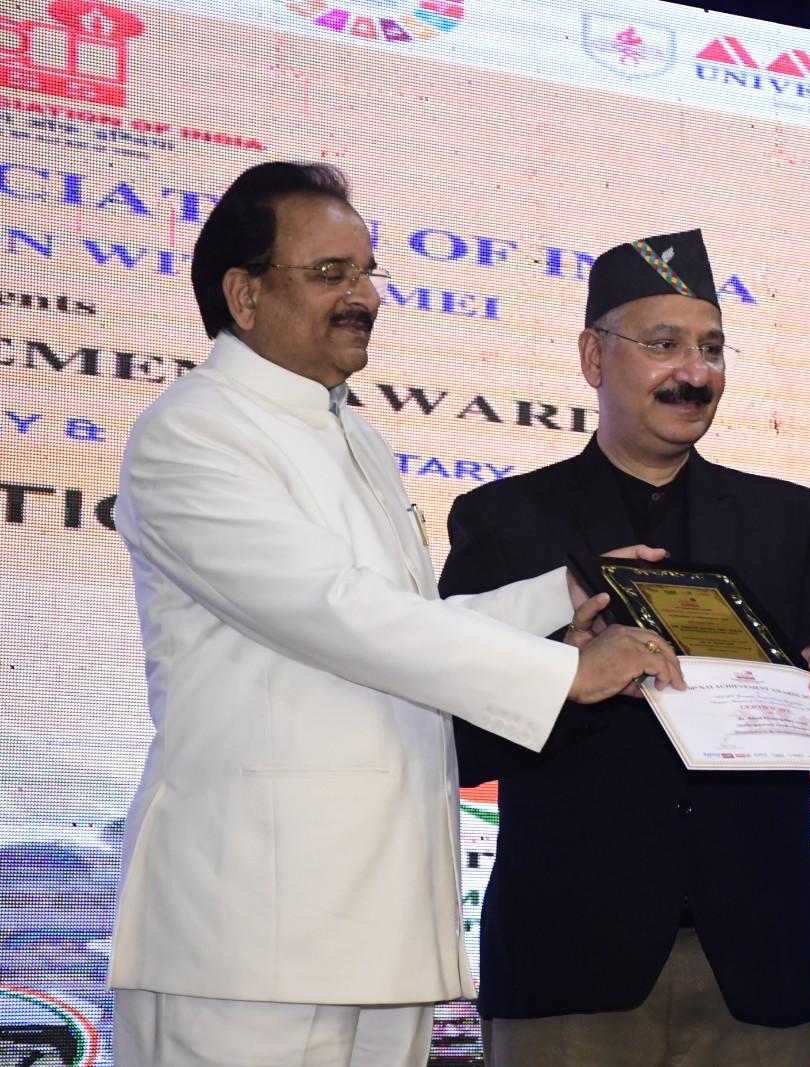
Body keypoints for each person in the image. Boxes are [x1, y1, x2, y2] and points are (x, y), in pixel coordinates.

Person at [109, 162, 679, 1067]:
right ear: (244, 294)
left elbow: (405, 618)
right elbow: (335, 613)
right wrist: (566, 671)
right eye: (329, 273)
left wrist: (561, 597)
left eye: (367, 272)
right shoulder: (194, 430)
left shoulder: (355, 434)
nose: (364, 296)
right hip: (251, 932)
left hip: (381, 921)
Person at [439, 229, 810, 1066]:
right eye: (664, 344)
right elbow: (457, 741)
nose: (695, 372)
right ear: (592, 358)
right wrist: (568, 675)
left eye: (712, 348)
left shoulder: (790, 521)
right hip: (570, 962)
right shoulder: (506, 523)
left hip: (757, 968)